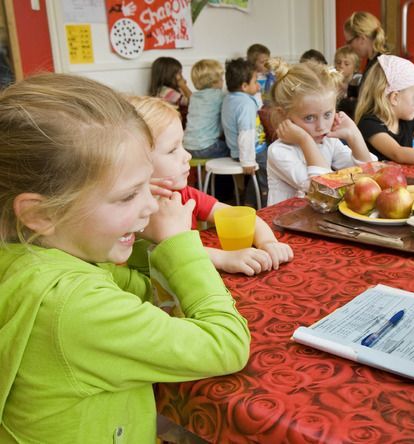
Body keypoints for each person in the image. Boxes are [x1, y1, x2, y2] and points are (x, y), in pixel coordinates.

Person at [0, 73, 250, 443]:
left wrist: (138, 240)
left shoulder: (35, 256)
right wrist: (182, 245)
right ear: (41, 215)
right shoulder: (74, 305)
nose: (150, 205)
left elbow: (140, 294)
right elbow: (227, 344)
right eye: (127, 195)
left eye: (146, 186)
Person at [130, 96, 293, 276]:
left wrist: (269, 243)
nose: (187, 156)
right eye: (172, 150)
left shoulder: (184, 195)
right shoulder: (128, 213)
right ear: (134, 164)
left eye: (182, 145)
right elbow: (170, 251)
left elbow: (243, 217)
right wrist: (224, 258)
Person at [266, 59, 376, 205]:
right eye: (309, 118)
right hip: (281, 225)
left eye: (327, 115)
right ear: (284, 114)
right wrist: (305, 140)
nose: (321, 126)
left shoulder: (328, 141)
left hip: (315, 223)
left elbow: (368, 175)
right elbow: (324, 190)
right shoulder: (279, 151)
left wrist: (354, 135)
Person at [355, 54, 414, 164]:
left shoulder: (409, 119)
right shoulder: (369, 124)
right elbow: (398, 154)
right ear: (394, 97)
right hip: (377, 180)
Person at [221, 58, 269, 206]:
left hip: (237, 151)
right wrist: (248, 160)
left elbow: (258, 105)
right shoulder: (245, 104)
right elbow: (246, 133)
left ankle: (250, 202)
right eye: (255, 82)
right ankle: (266, 204)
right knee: (269, 174)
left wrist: (256, 93)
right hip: (253, 151)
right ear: (244, 85)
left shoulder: (231, 99)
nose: (258, 86)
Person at [183, 59, 229, 159]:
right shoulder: (219, 96)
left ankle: (206, 175)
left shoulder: (194, 97)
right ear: (214, 82)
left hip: (187, 147)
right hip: (207, 147)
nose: (223, 81)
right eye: (221, 78)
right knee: (234, 150)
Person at [343, 11, 388, 107]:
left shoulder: (380, 66)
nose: (349, 47)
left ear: (362, 39)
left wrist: (341, 103)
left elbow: (371, 106)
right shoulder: (373, 61)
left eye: (349, 42)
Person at [149, 56, 191, 127]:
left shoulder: (160, 90)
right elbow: (193, 101)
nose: (181, 76)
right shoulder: (168, 93)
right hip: (172, 126)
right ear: (169, 75)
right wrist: (184, 86)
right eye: (179, 73)